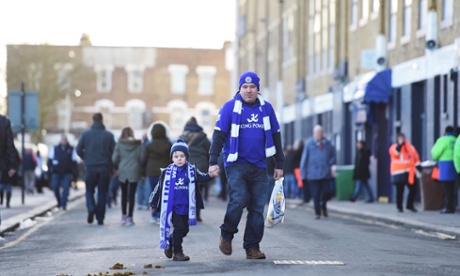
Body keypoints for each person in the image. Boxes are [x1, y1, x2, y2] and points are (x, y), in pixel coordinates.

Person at [208, 71, 285, 260]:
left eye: (252, 87)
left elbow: (275, 136)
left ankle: (252, 247)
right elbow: (218, 136)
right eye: (245, 87)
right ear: (240, 88)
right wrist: (212, 162)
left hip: (259, 165)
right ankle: (226, 234)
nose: (248, 90)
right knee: (239, 198)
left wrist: (280, 163)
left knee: (258, 208)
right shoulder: (228, 108)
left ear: (258, 89)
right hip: (236, 164)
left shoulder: (266, 108)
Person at [149, 139, 217, 261]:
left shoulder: (191, 170)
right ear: (172, 158)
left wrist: (210, 175)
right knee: (179, 229)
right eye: (176, 156)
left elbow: (202, 178)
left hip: (187, 207)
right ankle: (178, 253)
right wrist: (153, 202)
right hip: (173, 207)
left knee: (184, 230)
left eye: (182, 156)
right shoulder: (166, 172)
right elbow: (158, 188)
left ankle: (170, 240)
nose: (179, 159)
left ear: (187, 157)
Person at [76, 112, 116, 225]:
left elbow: (78, 150)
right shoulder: (109, 135)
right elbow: (115, 153)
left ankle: (91, 207)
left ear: (93, 120)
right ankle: (100, 217)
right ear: (102, 120)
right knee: (102, 193)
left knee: (89, 191)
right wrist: (113, 166)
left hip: (90, 167)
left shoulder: (85, 134)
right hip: (104, 168)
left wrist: (87, 159)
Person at [300, 125, 336, 219]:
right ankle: (317, 212)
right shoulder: (309, 144)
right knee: (315, 194)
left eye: (321, 132)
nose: (320, 134)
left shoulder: (328, 144)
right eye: (318, 132)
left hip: (325, 173)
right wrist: (303, 175)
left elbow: (333, 156)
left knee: (327, 192)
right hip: (312, 175)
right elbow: (304, 160)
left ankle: (323, 205)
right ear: (314, 133)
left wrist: (330, 164)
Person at [179, 117, 211, 222]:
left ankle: (186, 213)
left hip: (186, 167)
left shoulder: (182, 137)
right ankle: (197, 214)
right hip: (201, 166)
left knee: (185, 191)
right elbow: (209, 152)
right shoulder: (203, 137)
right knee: (198, 192)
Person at [112, 126, 144, 225]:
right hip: (134, 169)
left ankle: (123, 217)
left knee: (124, 194)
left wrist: (118, 165)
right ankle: (130, 217)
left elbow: (114, 158)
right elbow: (142, 158)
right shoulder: (138, 144)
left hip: (123, 170)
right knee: (132, 194)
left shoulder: (119, 144)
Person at [142, 121, 172, 223]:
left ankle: (153, 215)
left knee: (153, 193)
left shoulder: (149, 145)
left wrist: (142, 173)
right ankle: (161, 215)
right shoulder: (168, 145)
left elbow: (143, 159)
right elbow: (171, 159)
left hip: (151, 171)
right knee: (163, 194)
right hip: (164, 172)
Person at [389, 133, 421, 213]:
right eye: (400, 138)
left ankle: (409, 205)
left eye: (403, 138)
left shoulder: (410, 147)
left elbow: (416, 157)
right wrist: (400, 145)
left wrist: (419, 167)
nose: (402, 139)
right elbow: (396, 154)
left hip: (409, 172)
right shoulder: (393, 147)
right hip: (398, 172)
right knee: (400, 191)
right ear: (397, 139)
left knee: (413, 189)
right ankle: (399, 207)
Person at [48, 134, 78, 210]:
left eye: (65, 139)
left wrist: (75, 175)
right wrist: (49, 171)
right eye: (62, 139)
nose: (64, 141)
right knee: (55, 187)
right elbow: (50, 161)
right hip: (56, 172)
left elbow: (74, 163)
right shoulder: (55, 149)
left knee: (66, 188)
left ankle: (63, 204)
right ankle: (59, 202)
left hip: (67, 172)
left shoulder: (71, 149)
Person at [432, 126, 457, 214]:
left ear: (445, 131)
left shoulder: (442, 140)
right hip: (456, 165)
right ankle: (451, 206)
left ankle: (448, 207)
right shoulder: (456, 139)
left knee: (446, 188)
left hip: (445, 165)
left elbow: (435, 154)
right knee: (453, 188)